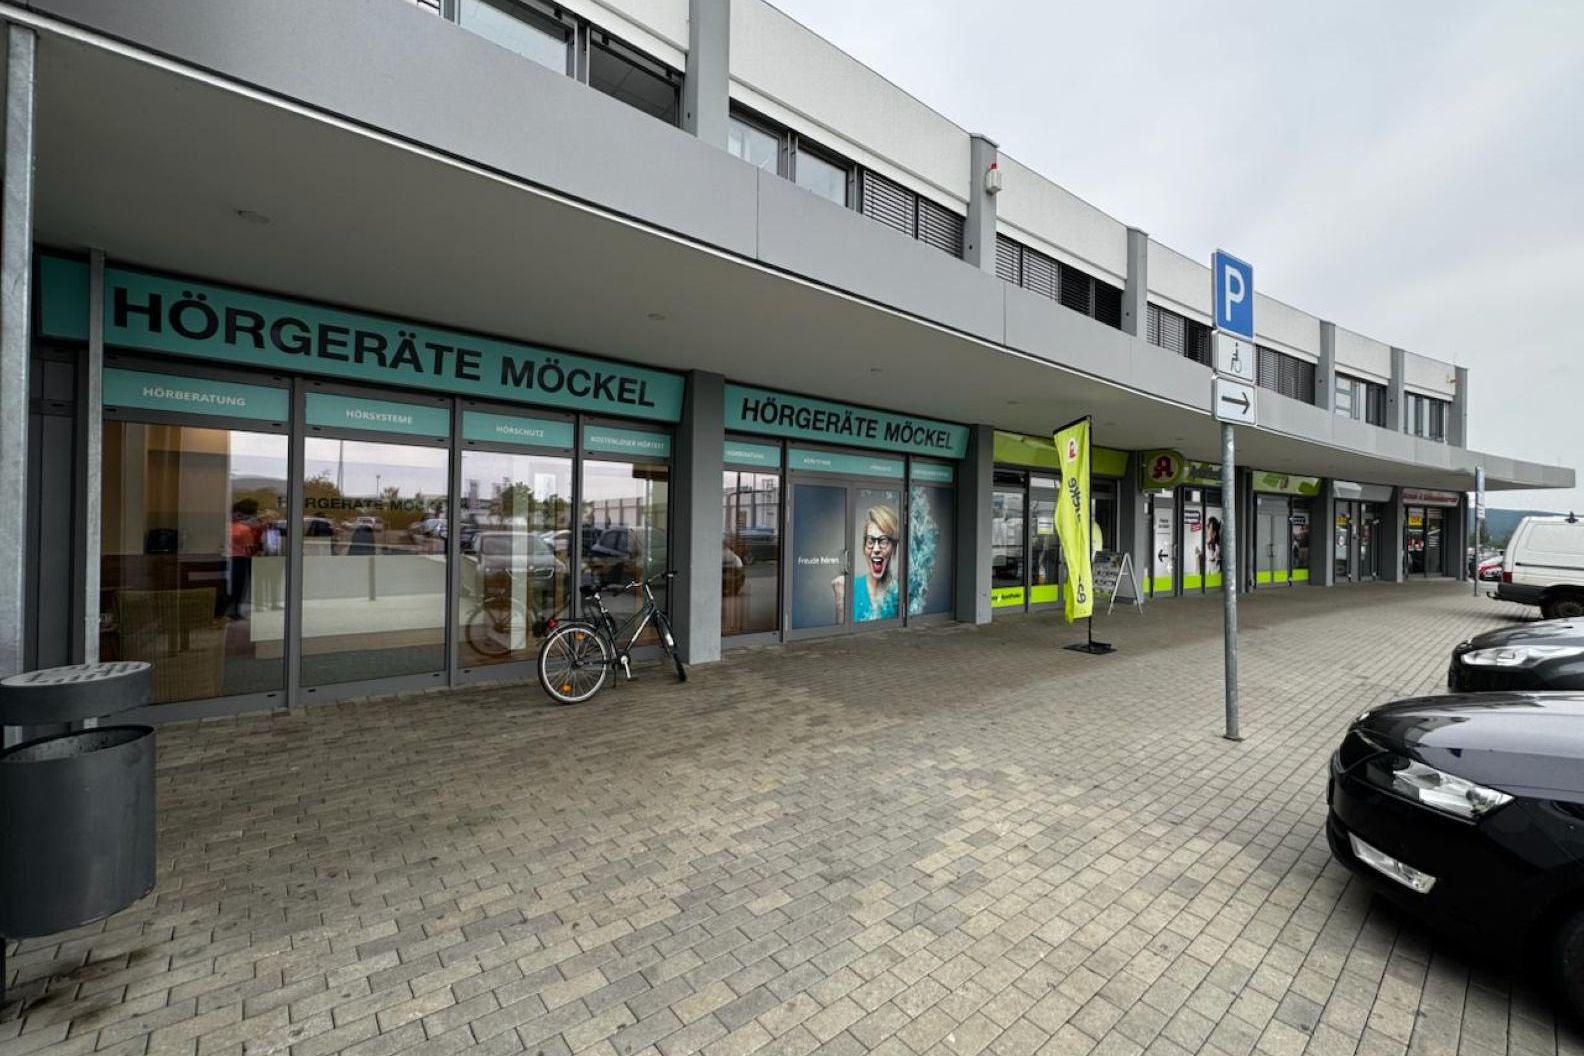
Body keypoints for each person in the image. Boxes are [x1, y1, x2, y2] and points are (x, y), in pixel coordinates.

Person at [848, 504, 900, 622]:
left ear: (893, 547)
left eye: (883, 541)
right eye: (870, 541)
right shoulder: (850, 589)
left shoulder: (899, 593)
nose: (876, 549)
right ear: (864, 546)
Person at [226, 499, 261, 618]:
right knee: (239, 586)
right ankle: (235, 610)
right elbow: (249, 546)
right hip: (240, 559)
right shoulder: (244, 529)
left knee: (230, 585)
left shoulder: (226, 527)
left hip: (227, 558)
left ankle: (228, 609)